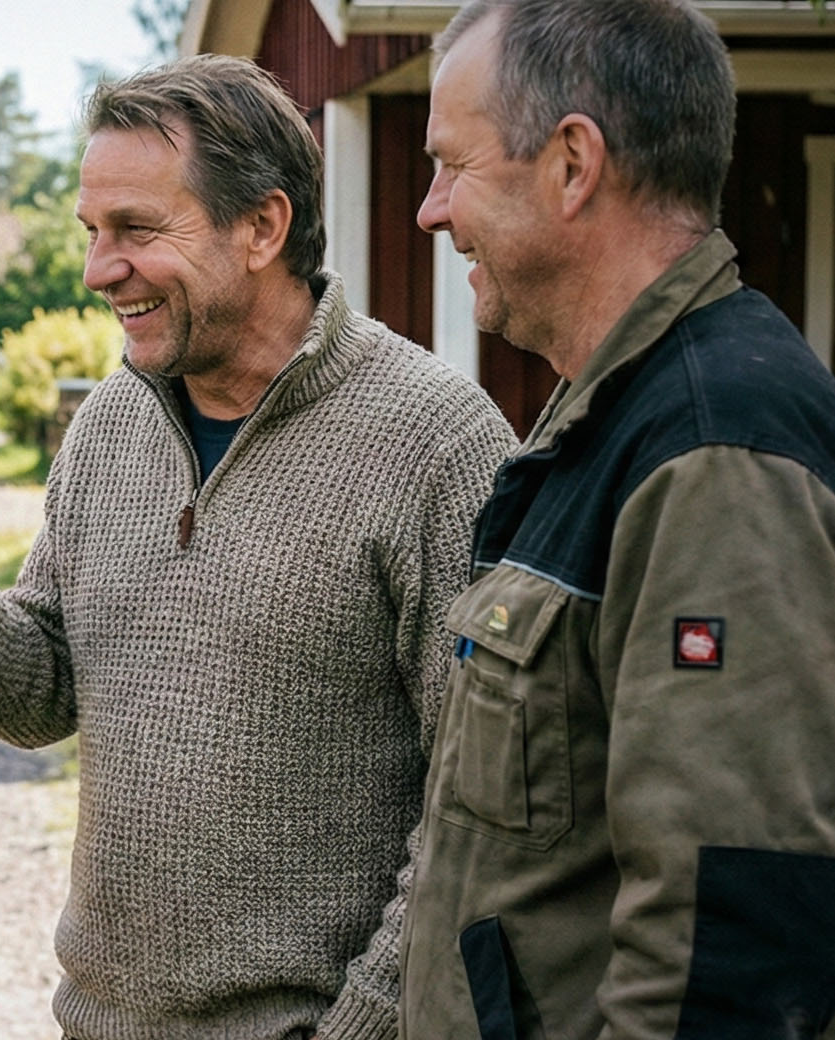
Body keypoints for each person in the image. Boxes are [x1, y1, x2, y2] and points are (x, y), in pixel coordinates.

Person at [0, 55, 515, 1039]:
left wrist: (362, 1026)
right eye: (92, 232)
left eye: (136, 230)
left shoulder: (436, 443)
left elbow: (481, 805)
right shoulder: (108, 424)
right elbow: (42, 694)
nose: (98, 270)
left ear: (262, 227)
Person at [401, 1, 835, 1036]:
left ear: (571, 164)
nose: (429, 210)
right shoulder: (613, 413)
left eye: (452, 165)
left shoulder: (713, 451)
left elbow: (725, 955)